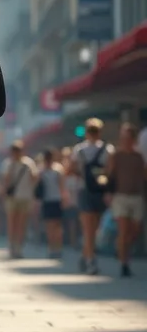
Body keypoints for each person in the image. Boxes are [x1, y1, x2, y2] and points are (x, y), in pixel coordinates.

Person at [71, 118, 114, 276]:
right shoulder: (108, 149)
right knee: (92, 228)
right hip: (99, 191)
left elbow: (72, 169)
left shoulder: (78, 150)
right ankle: (91, 260)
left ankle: (86, 255)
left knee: (90, 228)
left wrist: (84, 174)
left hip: (85, 190)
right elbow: (110, 172)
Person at [108, 123, 147, 277]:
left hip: (137, 196)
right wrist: (109, 193)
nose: (125, 141)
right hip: (121, 196)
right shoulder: (116, 156)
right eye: (123, 138)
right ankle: (124, 262)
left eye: (128, 138)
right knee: (123, 230)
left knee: (135, 230)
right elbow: (110, 176)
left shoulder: (139, 157)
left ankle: (122, 249)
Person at [3, 141, 37, 259]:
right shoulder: (8, 164)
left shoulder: (29, 163)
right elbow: (6, 180)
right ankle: (12, 246)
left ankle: (18, 247)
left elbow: (34, 178)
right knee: (12, 223)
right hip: (12, 197)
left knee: (21, 224)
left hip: (25, 196)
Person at [36, 149, 64, 258]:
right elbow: (37, 186)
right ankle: (51, 248)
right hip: (46, 200)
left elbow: (62, 185)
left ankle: (58, 247)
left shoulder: (58, 170)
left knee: (57, 226)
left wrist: (63, 199)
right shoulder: (41, 171)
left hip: (56, 199)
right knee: (49, 226)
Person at [61, 147, 81, 249]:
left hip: (78, 201)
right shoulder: (64, 176)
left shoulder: (78, 175)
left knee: (78, 222)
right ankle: (72, 241)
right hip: (69, 202)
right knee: (72, 222)